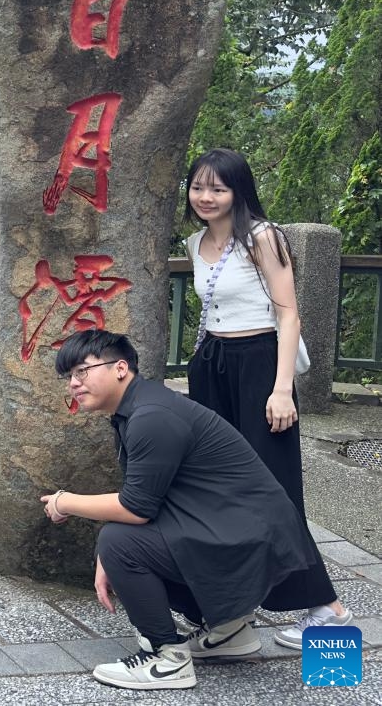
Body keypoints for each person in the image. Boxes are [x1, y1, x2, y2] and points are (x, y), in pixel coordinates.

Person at [41, 329, 328, 692]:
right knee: (117, 543)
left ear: (120, 368)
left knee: (117, 542)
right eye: (69, 377)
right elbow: (143, 499)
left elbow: (136, 508)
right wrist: (108, 555)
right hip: (243, 530)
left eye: (82, 371)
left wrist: (65, 501)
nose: (74, 384)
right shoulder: (140, 407)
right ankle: (230, 633)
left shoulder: (151, 416)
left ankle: (168, 659)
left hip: (250, 540)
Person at [184, 148, 351, 647]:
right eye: (198, 187)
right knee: (219, 485)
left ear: (239, 191)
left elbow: (289, 315)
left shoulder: (263, 238)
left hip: (260, 367)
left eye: (218, 188)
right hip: (213, 366)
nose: (206, 197)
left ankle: (329, 609)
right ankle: (233, 608)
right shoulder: (195, 243)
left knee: (273, 488)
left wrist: (281, 389)